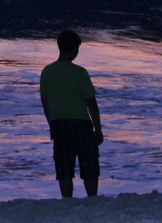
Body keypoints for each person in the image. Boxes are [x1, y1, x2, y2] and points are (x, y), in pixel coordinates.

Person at [39, 29, 103, 197]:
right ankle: (92, 199)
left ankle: (67, 200)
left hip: (59, 123)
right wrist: (98, 129)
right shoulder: (79, 72)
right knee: (89, 165)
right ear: (74, 48)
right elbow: (91, 103)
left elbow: (45, 102)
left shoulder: (47, 72)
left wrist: (51, 123)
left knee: (64, 167)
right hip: (80, 123)